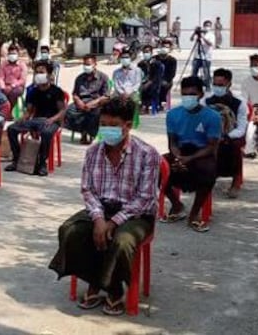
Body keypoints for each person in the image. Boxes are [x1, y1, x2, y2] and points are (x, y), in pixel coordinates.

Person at [48, 98, 160, 316]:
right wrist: (99, 219)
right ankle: (100, 281)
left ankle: (111, 287)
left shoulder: (147, 154)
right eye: (103, 124)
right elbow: (87, 190)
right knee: (70, 230)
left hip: (135, 214)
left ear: (127, 125)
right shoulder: (93, 152)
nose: (106, 130)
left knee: (122, 240)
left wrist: (113, 222)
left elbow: (145, 198)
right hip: (101, 207)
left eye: (113, 125)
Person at [162, 76, 221, 232]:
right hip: (181, 151)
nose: (188, 97)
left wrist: (190, 159)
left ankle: (194, 214)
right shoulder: (173, 114)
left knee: (208, 172)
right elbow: (172, 142)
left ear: (201, 95)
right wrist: (177, 157)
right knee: (156, 166)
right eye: (185, 94)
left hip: (201, 153)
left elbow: (211, 146)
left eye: (192, 94)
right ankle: (177, 205)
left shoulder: (213, 116)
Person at [5, 61, 66, 177]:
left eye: (41, 72)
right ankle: (17, 159)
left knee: (46, 133)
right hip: (36, 120)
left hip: (52, 120)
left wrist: (53, 119)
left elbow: (62, 110)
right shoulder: (33, 91)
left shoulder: (56, 91)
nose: (38, 75)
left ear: (49, 74)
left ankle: (42, 163)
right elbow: (29, 111)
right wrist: (22, 119)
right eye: (36, 72)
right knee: (11, 129)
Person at [202, 69, 248, 198]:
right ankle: (207, 176)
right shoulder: (206, 101)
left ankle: (235, 181)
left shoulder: (239, 103)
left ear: (229, 84)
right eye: (215, 84)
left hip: (230, 135)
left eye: (220, 85)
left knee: (234, 146)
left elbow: (241, 127)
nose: (217, 87)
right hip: (211, 135)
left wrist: (226, 136)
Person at [66, 55, 110, 145]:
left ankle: (91, 134)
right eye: (85, 64)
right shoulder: (79, 78)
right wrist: (79, 102)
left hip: (97, 102)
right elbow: (75, 93)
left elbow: (106, 95)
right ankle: (83, 132)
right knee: (69, 111)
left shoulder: (103, 77)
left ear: (95, 64)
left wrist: (93, 103)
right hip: (82, 102)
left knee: (95, 113)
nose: (86, 66)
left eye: (88, 64)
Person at [138, 46, 165, 113]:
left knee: (152, 88)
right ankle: (143, 105)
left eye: (147, 52)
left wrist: (149, 82)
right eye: (144, 52)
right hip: (144, 81)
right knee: (139, 88)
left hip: (154, 82)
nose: (145, 53)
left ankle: (151, 105)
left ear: (151, 53)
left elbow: (157, 76)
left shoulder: (157, 63)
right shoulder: (140, 64)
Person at [190, 23, 215, 90]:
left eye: (208, 26)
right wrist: (194, 33)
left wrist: (203, 37)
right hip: (197, 56)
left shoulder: (211, 35)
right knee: (194, 72)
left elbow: (210, 44)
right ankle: (193, 85)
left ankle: (207, 86)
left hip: (206, 56)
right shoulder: (199, 33)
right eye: (206, 26)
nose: (207, 27)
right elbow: (191, 39)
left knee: (206, 72)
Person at [155, 40, 177, 107]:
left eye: (167, 47)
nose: (165, 49)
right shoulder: (155, 58)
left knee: (163, 86)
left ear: (170, 49)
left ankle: (161, 102)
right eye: (164, 47)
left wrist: (165, 80)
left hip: (167, 80)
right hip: (155, 79)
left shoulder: (172, 60)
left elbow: (172, 74)